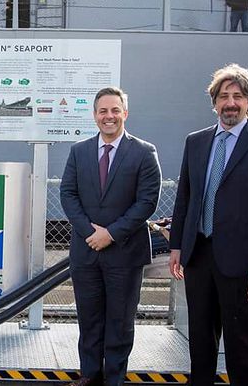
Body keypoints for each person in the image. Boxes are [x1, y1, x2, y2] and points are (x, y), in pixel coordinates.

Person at [168, 64, 248, 386]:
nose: (231, 103)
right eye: (224, 96)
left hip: (245, 265)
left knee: (244, 346)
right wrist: (177, 246)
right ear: (214, 102)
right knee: (199, 342)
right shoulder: (195, 142)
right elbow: (186, 197)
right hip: (199, 258)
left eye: (238, 96)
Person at [60, 87, 162, 386]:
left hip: (125, 252)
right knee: (89, 320)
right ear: (94, 115)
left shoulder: (143, 152)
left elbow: (147, 201)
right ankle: (90, 376)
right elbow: (67, 194)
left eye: (115, 110)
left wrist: (111, 234)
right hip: (87, 250)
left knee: (119, 322)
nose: (109, 116)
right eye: (103, 111)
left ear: (125, 113)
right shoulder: (78, 151)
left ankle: (114, 379)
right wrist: (91, 232)